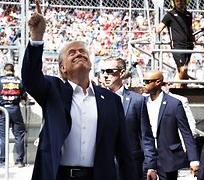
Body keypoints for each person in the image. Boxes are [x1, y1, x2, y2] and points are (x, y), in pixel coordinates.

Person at [21, 1, 137, 179]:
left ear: (90, 64)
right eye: (72, 53)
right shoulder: (53, 91)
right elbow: (30, 77)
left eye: (82, 51)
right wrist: (37, 37)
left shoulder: (111, 100)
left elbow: (123, 149)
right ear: (63, 68)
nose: (79, 53)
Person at [101, 57, 158, 180]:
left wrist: (151, 166)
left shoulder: (137, 101)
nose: (105, 75)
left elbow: (145, 136)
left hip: (131, 166)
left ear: (122, 73)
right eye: (103, 71)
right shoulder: (96, 99)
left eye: (110, 71)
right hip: (103, 165)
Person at [142, 70, 199, 180]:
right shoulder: (141, 102)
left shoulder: (174, 103)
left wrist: (194, 159)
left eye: (147, 82)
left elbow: (186, 132)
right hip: (146, 157)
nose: (143, 85)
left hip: (168, 157)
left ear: (158, 82)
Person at [0, 63, 27, 168]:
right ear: (13, 71)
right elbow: (25, 97)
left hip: (4, 110)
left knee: (3, 136)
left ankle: (2, 160)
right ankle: (20, 161)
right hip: (16, 109)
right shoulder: (19, 81)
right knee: (19, 135)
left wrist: (0, 101)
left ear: (4, 70)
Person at [153, 0, 195, 88]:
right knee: (183, 69)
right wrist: (154, 30)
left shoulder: (188, 15)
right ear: (174, 3)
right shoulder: (170, 15)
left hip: (189, 45)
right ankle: (180, 89)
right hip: (177, 46)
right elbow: (159, 27)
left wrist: (193, 39)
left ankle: (182, 88)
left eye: (182, 1)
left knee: (184, 70)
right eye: (177, 1)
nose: (180, 3)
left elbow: (190, 29)